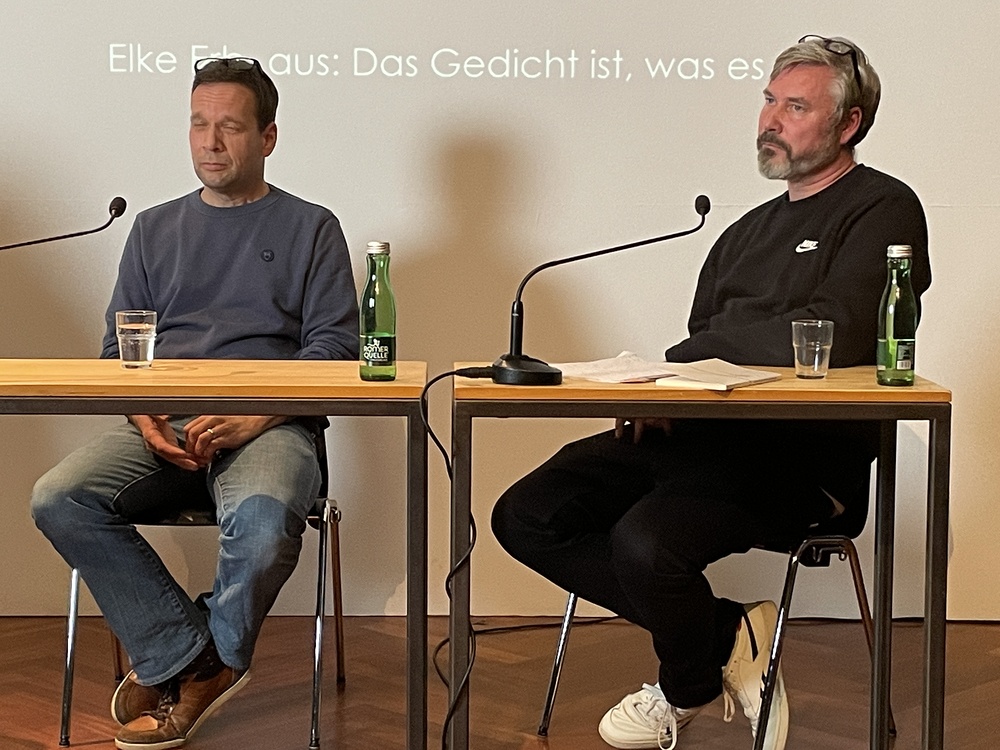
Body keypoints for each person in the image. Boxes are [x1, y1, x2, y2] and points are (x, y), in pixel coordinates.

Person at [492, 35, 930, 750]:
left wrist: (695, 356)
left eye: (796, 107)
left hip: (804, 461)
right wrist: (661, 393)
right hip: (702, 437)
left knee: (645, 543)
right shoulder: (743, 232)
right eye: (768, 101)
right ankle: (726, 636)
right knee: (527, 514)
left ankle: (685, 682)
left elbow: (840, 331)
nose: (771, 120)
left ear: (849, 123)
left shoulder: (882, 207)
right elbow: (710, 350)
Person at [31, 57, 358, 750]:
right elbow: (117, 351)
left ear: (267, 137)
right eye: (198, 124)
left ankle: (195, 663)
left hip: (272, 424)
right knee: (58, 496)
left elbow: (336, 350)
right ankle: (191, 661)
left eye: (229, 127)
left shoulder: (312, 227)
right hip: (166, 422)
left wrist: (257, 412)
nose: (210, 141)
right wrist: (143, 417)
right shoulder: (153, 229)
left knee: (265, 524)